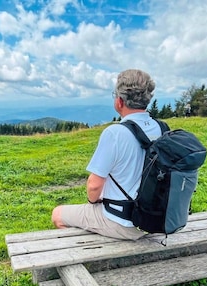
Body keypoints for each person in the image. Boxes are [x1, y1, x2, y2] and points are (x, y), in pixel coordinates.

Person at [51, 69, 165, 240]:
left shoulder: (115, 133)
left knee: (58, 214)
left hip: (124, 222)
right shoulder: (162, 127)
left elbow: (94, 186)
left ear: (119, 101)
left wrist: (93, 202)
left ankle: (88, 254)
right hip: (156, 218)